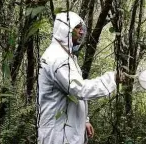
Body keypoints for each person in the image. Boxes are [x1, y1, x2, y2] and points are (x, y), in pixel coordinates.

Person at [38, 12, 121, 144]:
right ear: (65, 29)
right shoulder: (58, 59)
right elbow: (80, 89)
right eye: (77, 28)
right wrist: (112, 78)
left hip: (67, 129)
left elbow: (72, 93)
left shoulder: (66, 56)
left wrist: (84, 120)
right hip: (57, 134)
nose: (81, 32)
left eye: (82, 28)